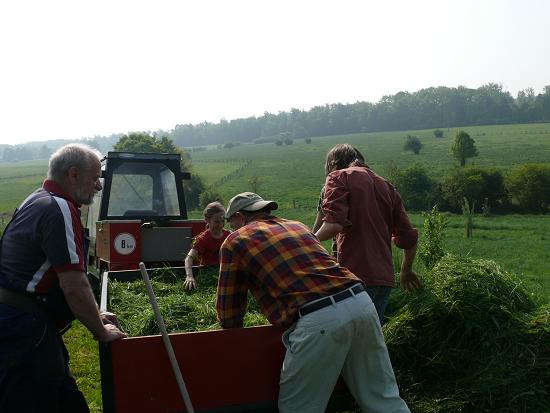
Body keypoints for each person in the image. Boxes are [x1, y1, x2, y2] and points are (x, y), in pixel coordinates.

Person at [216, 192, 410, 413]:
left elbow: (229, 309)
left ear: (240, 217)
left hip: (318, 319)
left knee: (299, 408)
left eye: (231, 223)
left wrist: (231, 333)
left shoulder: (235, 240)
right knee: (383, 398)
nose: (232, 228)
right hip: (360, 302)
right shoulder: (297, 226)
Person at [0, 143, 127, 413]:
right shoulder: (59, 208)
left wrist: (95, 312)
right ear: (73, 175)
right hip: (25, 330)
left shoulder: (36, 198)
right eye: (95, 178)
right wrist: (101, 330)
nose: (98, 186)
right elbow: (73, 284)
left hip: (14, 321)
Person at [315, 144, 421, 323]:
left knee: (351, 343)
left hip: (355, 278)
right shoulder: (387, 186)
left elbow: (334, 225)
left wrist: (306, 243)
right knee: (371, 342)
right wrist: (406, 271)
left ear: (333, 165)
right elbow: (408, 238)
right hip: (384, 281)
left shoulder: (338, 177)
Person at [183, 201, 230, 290]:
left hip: (224, 273)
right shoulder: (203, 239)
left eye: (222, 221)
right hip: (208, 274)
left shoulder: (229, 235)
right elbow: (189, 258)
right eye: (216, 222)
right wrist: (189, 276)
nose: (220, 225)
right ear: (207, 220)